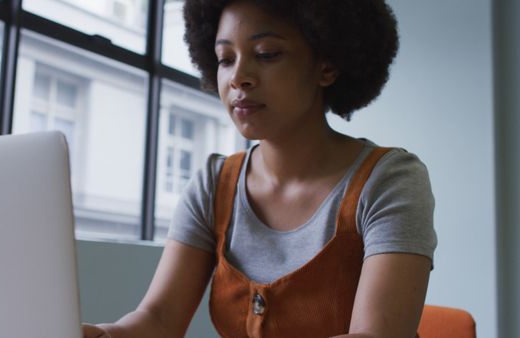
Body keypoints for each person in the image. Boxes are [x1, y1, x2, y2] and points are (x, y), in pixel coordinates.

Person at [83, 0, 437, 337]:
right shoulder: (213, 185)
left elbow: (375, 335)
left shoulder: (390, 181)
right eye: (225, 59)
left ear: (326, 66)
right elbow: (158, 320)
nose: (239, 77)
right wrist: (102, 335)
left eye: (267, 54)